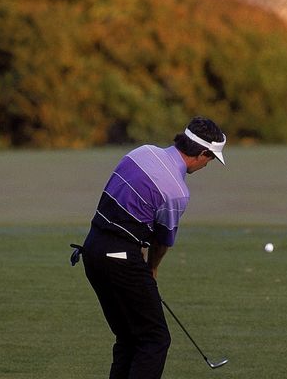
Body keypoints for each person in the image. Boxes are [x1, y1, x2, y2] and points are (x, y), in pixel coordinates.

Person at [71, 116, 226, 379]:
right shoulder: (177, 190)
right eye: (210, 159)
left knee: (129, 337)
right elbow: (162, 241)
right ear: (202, 153)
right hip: (120, 259)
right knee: (155, 339)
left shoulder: (141, 152)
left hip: (92, 249)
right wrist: (151, 270)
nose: (207, 165)